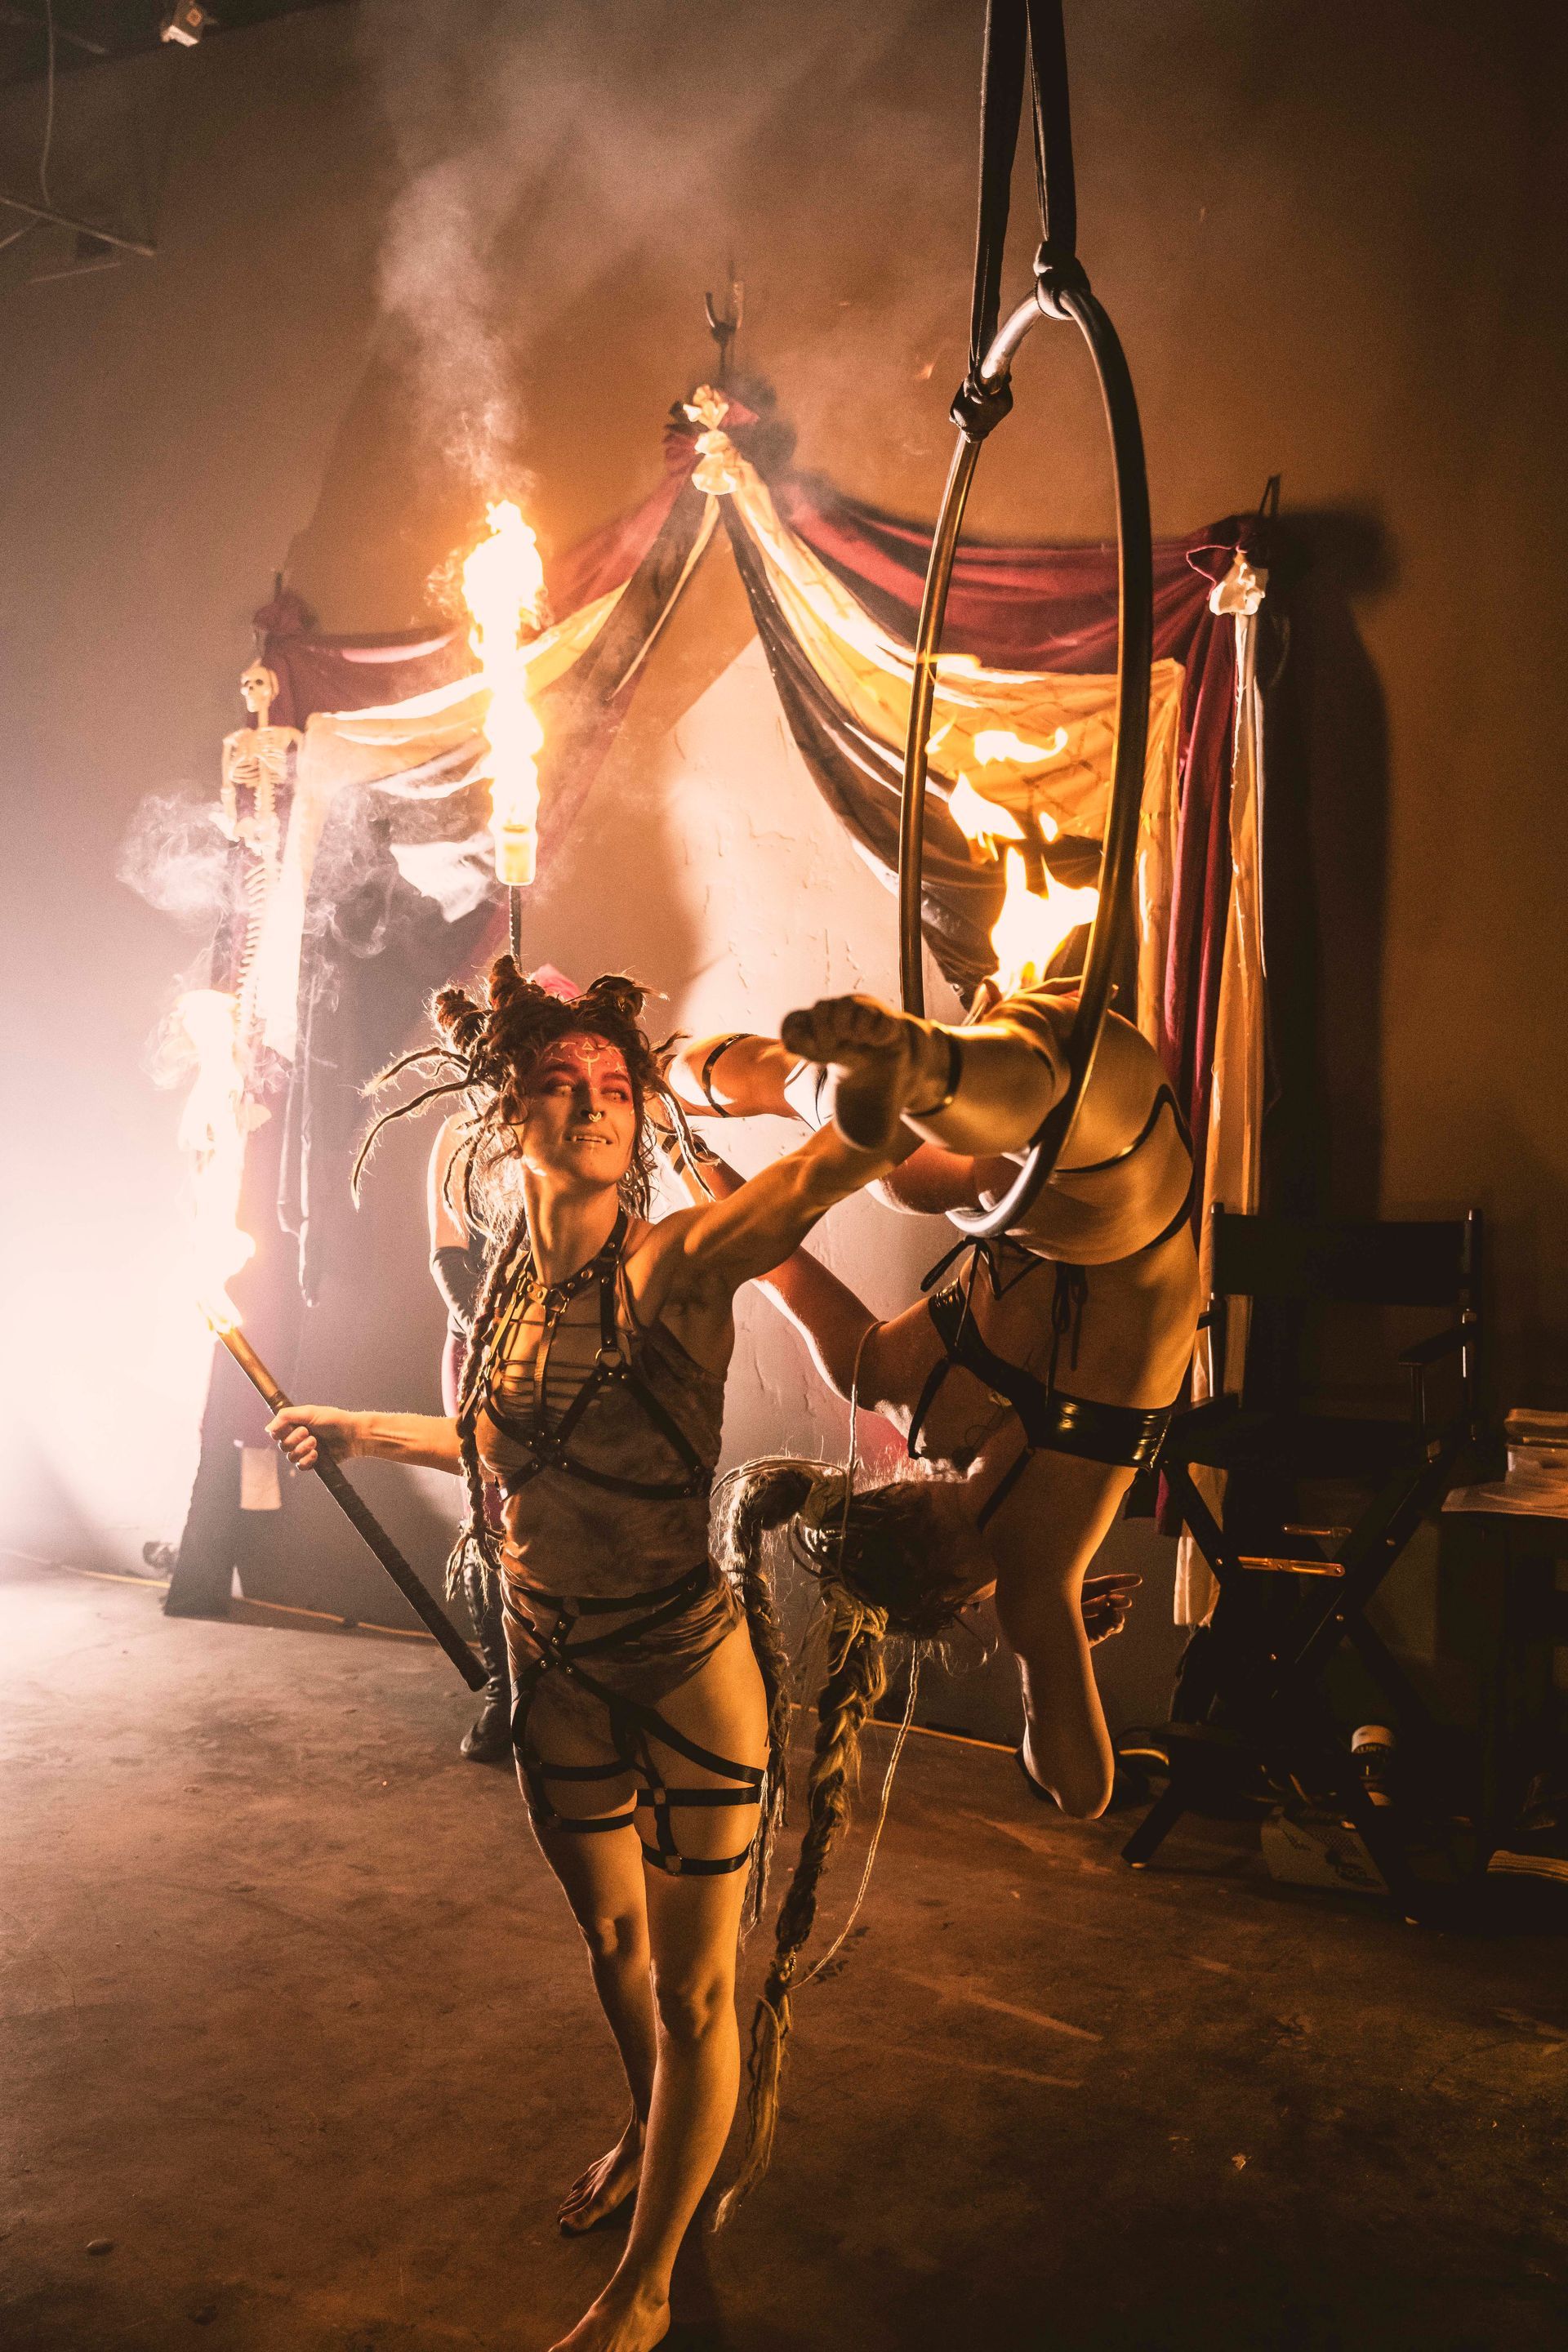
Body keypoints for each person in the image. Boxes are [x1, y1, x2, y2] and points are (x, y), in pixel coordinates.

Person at [266, 960, 911, 2352]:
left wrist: (869, 1098)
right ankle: (649, 2121)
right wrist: (355, 1430)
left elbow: (808, 1185)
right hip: (549, 1662)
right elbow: (504, 1447)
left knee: (694, 1987)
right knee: (614, 1944)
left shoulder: (673, 1265)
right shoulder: (509, 1286)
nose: (594, 1105)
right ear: (512, 1112)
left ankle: (647, 2286)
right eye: (560, 1084)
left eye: (615, 1086)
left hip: (680, 1672)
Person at [664, 984, 1201, 2216]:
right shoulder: (894, 1383)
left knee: (1006, 1131)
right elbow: (767, 1253)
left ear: (949, 1588)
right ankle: (729, 1066)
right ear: (884, 1490)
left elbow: (1082, 1790)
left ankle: (923, 1072)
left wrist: (1042, 1638)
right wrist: (685, 1133)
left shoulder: (1034, 1558)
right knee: (913, 1173)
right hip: (1018, 1142)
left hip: (1125, 1170)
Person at [426, 1111, 513, 1761]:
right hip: (482, 1350)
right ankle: (505, 1694)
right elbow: (447, 1253)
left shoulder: (584, 1114)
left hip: (580, 1348)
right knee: (488, 1516)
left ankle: (571, 1692)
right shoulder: (463, 1129)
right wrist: (495, 1339)